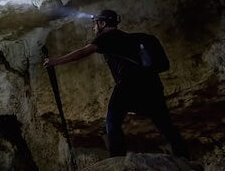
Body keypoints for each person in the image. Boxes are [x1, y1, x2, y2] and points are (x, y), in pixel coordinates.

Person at [42, 9, 188, 158]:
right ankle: (184, 156)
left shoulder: (106, 37)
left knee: (112, 120)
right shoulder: (133, 39)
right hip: (152, 84)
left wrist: (55, 61)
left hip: (129, 84)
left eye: (95, 24)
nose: (94, 27)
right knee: (164, 124)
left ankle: (116, 158)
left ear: (103, 23)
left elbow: (83, 52)